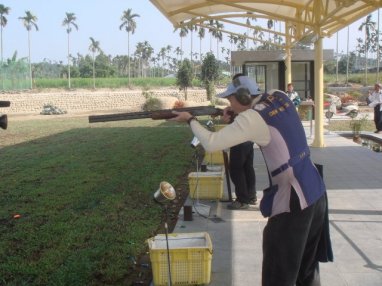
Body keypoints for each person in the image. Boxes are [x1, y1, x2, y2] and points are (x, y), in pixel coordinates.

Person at [171, 75, 333, 286]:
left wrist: (190, 119)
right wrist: (238, 115)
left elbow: (211, 143)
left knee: (278, 273)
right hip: (315, 189)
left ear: (243, 97)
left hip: (294, 198)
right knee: (307, 271)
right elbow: (265, 120)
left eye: (231, 99)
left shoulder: (252, 118)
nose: (229, 104)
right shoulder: (279, 95)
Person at [222, 73, 257, 210]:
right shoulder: (251, 99)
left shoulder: (243, 98)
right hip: (249, 138)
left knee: (236, 169)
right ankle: (251, 196)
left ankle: (242, 200)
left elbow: (239, 118)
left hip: (240, 138)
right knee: (247, 167)